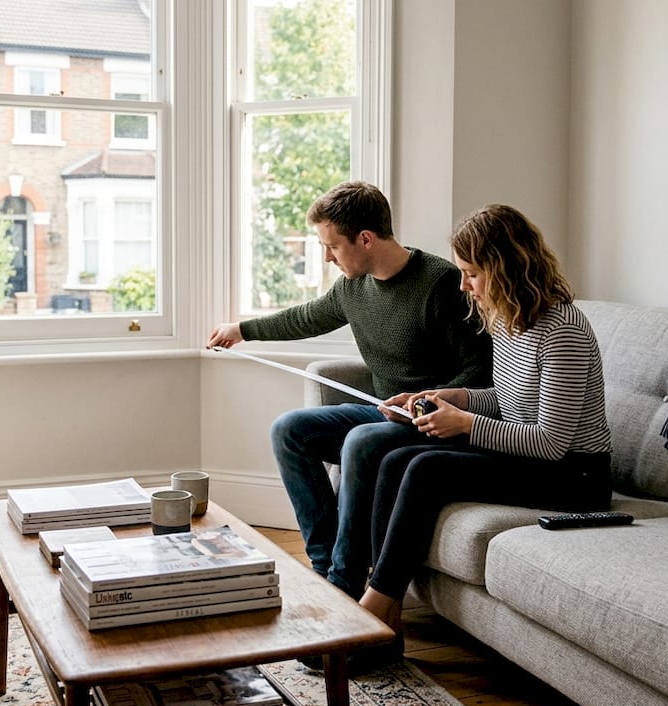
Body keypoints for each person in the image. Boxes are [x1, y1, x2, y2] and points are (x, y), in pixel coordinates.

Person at [356, 203, 613, 668]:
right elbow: (511, 401)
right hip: (536, 462)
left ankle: (373, 611)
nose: (463, 285)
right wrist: (452, 398)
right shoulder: (510, 320)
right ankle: (386, 615)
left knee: (426, 466)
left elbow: (550, 442)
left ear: (505, 268)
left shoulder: (564, 331)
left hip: (576, 478)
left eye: (471, 274)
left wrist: (465, 424)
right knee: (395, 459)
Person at [207, 181, 491, 601]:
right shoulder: (351, 288)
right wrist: (241, 330)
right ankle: (325, 570)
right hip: (385, 414)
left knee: (360, 438)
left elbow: (481, 372)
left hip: (435, 422)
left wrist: (426, 401)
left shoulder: (442, 284)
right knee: (289, 430)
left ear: (365, 239)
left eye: (332, 247)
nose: (326, 257)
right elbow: (305, 318)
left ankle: (347, 578)